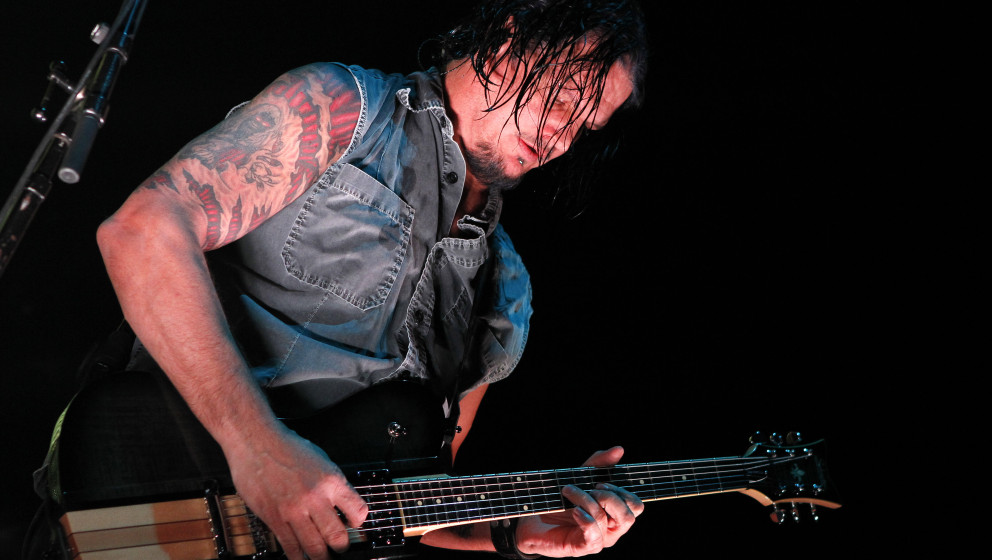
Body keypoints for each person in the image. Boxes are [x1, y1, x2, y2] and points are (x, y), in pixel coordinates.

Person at [52, 1, 649, 558]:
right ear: (508, 42)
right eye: (565, 99)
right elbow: (143, 230)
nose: (561, 138)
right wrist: (258, 447)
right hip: (146, 504)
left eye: (585, 128)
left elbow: (409, 493)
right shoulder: (344, 107)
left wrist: (520, 528)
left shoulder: (506, 287)